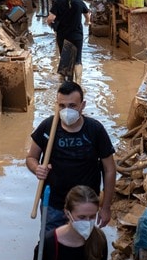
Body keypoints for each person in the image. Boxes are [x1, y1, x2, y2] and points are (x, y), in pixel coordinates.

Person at [27, 80, 115, 232]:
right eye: (62, 106)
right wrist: (37, 169)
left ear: (83, 105)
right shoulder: (47, 127)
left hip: (84, 208)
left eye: (72, 106)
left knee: (81, 248)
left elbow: (109, 170)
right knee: (51, 247)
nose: (67, 110)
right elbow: (31, 158)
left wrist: (106, 207)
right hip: (53, 204)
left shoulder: (95, 130)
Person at [46, 0, 90, 82]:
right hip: (77, 35)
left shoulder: (58, 3)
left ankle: (65, 80)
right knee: (78, 59)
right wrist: (87, 22)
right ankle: (78, 82)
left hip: (63, 35)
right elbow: (87, 14)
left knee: (65, 57)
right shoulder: (79, 3)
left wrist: (49, 24)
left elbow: (51, 18)